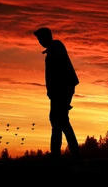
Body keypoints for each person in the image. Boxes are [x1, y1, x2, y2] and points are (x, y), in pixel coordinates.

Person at [33, 27, 81, 160]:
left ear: (46, 37)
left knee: (58, 120)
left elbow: (58, 74)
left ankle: (58, 153)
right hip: (59, 91)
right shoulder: (53, 50)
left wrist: (56, 93)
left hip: (61, 90)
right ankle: (67, 152)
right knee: (60, 121)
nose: (39, 42)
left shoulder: (56, 48)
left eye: (40, 39)